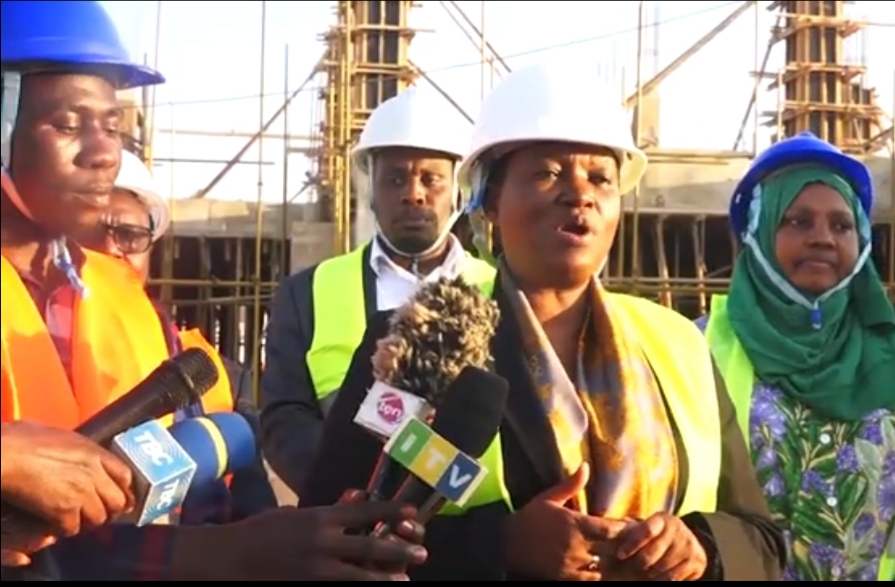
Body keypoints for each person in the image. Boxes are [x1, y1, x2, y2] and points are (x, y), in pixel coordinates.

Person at [298, 61, 787, 581]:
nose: (581, 194)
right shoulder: (421, 342)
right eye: (548, 173)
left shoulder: (677, 345)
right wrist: (500, 546)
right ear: (490, 201)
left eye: (601, 178)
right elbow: (326, 537)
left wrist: (701, 548)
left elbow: (761, 540)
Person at [0, 0, 425, 580]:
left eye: (113, 127)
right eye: (69, 125)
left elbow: (185, 507)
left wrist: (282, 545)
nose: (104, 153)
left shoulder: (125, 305)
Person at [261, 85, 495, 492]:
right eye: (395, 179)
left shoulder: (499, 291)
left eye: (431, 179)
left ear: (459, 191)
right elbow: (284, 420)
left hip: (476, 518)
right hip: (349, 517)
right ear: (371, 191)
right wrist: (343, 490)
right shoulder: (307, 293)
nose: (413, 194)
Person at [697, 132, 895, 581]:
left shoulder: (888, 356)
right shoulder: (694, 350)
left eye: (842, 226)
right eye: (798, 221)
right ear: (758, 232)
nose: (823, 238)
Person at [71, 149, 278, 522]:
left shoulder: (217, 375)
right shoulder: (31, 354)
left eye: (130, 235)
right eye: (90, 234)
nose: (110, 248)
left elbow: (253, 512)